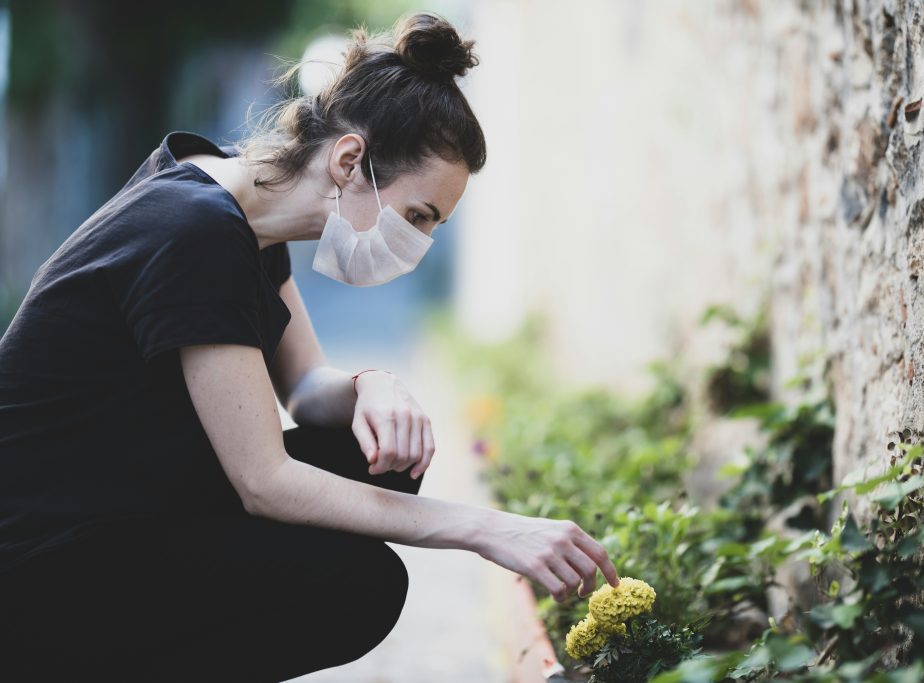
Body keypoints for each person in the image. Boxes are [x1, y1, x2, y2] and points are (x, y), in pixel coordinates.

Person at [0, 10, 619, 683]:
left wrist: (372, 382)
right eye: (418, 216)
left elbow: (303, 386)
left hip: (120, 514)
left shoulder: (238, 211)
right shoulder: (195, 233)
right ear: (350, 159)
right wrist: (491, 529)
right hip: (38, 570)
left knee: (379, 453)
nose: (419, 242)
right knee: (357, 584)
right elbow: (265, 482)